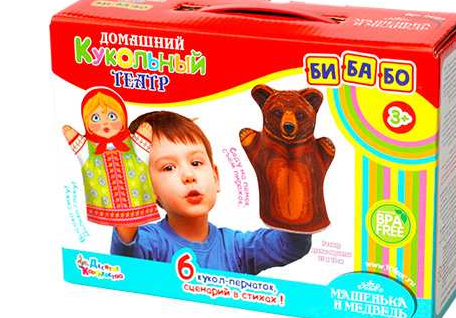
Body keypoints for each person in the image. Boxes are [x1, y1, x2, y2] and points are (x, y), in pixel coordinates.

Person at [110, 110, 312, 274]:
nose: (188, 175)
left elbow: (291, 245)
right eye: (168, 167)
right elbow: (124, 262)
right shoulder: (151, 242)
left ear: (215, 177)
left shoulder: (236, 247)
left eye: (196, 163)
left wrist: (295, 187)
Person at [63, 88, 158, 227]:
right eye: (96, 118)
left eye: (112, 116)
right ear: (87, 124)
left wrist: (143, 135)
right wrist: (71, 135)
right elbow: (77, 144)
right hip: (103, 213)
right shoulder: (87, 147)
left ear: (123, 119)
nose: (105, 123)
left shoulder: (133, 143)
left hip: (141, 209)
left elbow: (143, 147)